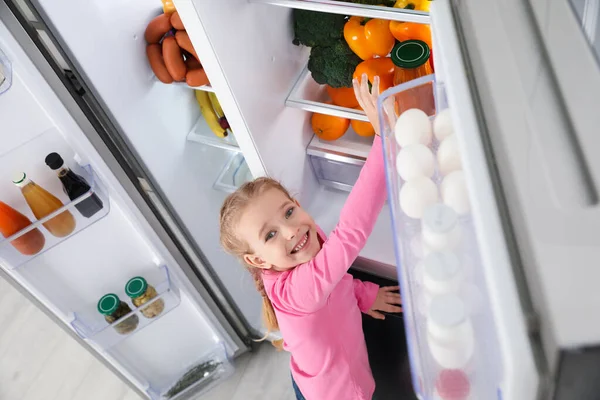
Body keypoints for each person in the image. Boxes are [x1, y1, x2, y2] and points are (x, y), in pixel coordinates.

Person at [219, 74, 402, 400]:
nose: (291, 230)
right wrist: (381, 138)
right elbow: (352, 231)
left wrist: (362, 294)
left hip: (307, 380)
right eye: (271, 234)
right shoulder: (299, 290)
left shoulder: (287, 262)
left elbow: (331, 284)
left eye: (288, 211)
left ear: (298, 204)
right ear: (257, 259)